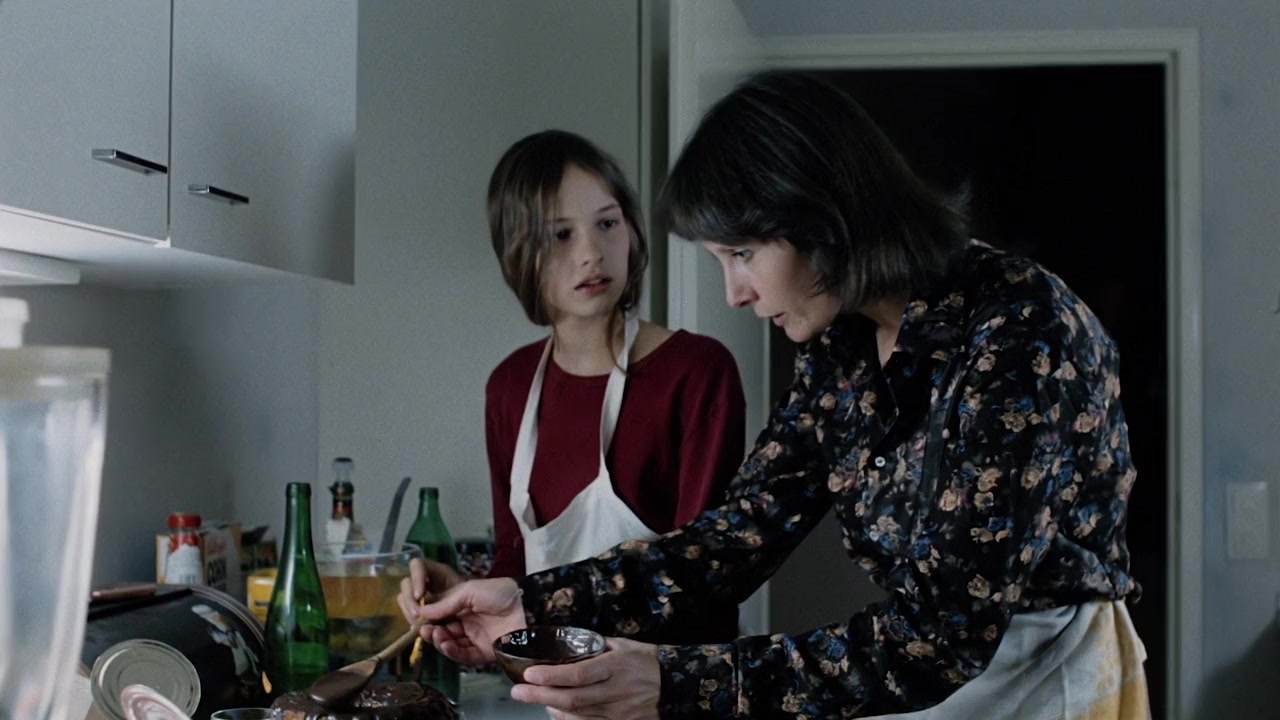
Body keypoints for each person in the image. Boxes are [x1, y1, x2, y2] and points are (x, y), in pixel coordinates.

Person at [400, 73, 1149, 719]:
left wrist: (672, 681)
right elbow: (734, 539)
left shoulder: (1018, 331)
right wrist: (529, 601)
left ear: (821, 217)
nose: (735, 292)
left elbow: (938, 639)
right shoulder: (843, 345)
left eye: (742, 253)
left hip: (1041, 682)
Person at [401, 130, 746, 645]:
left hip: (671, 684)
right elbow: (515, 563)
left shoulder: (696, 372)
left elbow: (705, 575)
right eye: (561, 235)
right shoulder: (510, 386)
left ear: (631, 230)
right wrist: (465, 600)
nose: (591, 253)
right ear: (520, 253)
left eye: (607, 223)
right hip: (550, 683)